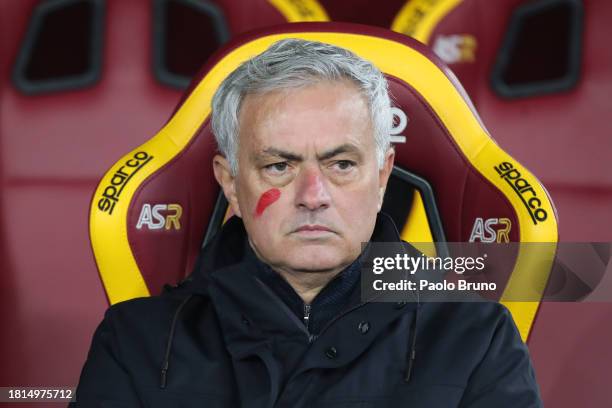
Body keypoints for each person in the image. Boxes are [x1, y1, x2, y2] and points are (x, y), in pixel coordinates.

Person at [71, 38, 542, 407]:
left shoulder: (478, 340)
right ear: (231, 182)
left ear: (381, 177)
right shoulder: (136, 341)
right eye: (280, 166)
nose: (313, 197)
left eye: (341, 165)